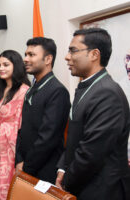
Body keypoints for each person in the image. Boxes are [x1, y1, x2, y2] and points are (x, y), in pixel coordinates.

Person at [56, 28, 130, 200]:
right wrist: (62, 168)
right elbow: (75, 137)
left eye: (73, 50)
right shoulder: (89, 86)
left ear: (94, 54)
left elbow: (91, 154)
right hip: (86, 183)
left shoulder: (106, 93)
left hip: (103, 189)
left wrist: (67, 181)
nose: (67, 56)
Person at [15, 37, 70, 184]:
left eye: (31, 55)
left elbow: (48, 138)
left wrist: (26, 167)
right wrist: (18, 159)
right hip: (26, 164)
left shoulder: (57, 91)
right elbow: (24, 127)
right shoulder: (32, 89)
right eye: (25, 54)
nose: (25, 59)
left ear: (48, 59)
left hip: (44, 169)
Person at [0, 50, 30, 200]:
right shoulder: (0, 89)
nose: (1, 68)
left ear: (16, 66)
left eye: (6, 65)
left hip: (13, 151)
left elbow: (19, 125)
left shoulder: (24, 91)